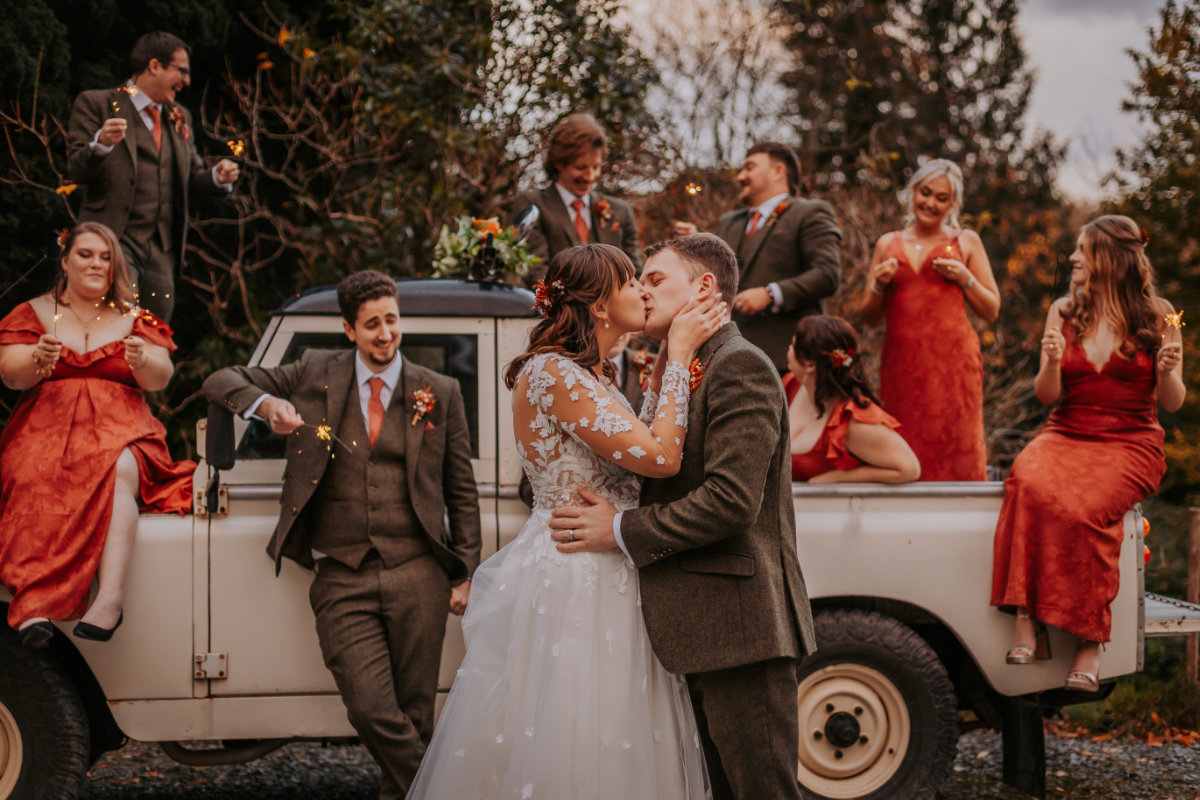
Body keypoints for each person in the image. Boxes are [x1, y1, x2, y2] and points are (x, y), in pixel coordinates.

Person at [407, 243, 724, 799]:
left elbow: (631, 460)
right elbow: (660, 459)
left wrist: (655, 385)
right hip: (578, 578)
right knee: (578, 739)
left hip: (610, 565)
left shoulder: (592, 375)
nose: (644, 292)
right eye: (632, 283)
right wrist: (677, 358)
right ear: (601, 305)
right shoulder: (553, 372)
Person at [549, 233, 816, 800]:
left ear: (704, 287)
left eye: (654, 278)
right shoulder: (682, 365)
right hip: (692, 627)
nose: (642, 292)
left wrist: (617, 529)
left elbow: (730, 500)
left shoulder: (739, 365)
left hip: (740, 628)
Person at [202, 270, 481, 800]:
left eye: (391, 321)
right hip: (341, 574)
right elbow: (220, 380)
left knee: (416, 712)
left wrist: (464, 570)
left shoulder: (438, 391)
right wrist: (267, 405)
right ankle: (447, 789)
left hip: (418, 571)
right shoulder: (313, 372)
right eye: (371, 324)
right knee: (371, 708)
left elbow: (460, 488)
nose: (385, 334)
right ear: (349, 330)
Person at [991, 215, 1185, 692]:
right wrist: (1053, 361)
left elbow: (1173, 402)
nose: (1074, 257)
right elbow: (1046, 395)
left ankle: (1089, 641)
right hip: (1068, 430)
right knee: (1025, 480)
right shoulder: (1062, 310)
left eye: (1082, 249)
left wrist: (1167, 371)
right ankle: (1024, 616)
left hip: (1130, 441)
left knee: (1084, 509)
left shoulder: (1162, 315)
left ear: (1109, 259)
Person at [0, 222, 194, 648]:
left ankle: (109, 599)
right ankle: (32, 604)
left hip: (122, 428)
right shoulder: (31, 313)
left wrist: (143, 360)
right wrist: (37, 358)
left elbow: (160, 377)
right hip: (44, 428)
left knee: (117, 470)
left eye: (106, 258)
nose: (97, 264)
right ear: (65, 260)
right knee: (31, 475)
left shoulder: (135, 319)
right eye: (86, 254)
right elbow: (11, 376)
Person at [67, 31, 240, 322]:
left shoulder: (179, 115)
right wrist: (102, 144)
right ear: (154, 66)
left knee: (155, 334)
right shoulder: (97, 103)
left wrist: (217, 177)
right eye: (181, 71)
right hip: (112, 240)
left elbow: (191, 174)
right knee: (114, 326)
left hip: (160, 249)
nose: (187, 81)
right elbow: (75, 169)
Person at [860, 159, 1000, 481]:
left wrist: (965, 278)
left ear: (953, 204)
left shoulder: (965, 242)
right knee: (905, 447)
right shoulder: (887, 243)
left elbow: (991, 310)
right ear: (912, 192)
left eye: (942, 198)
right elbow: (869, 318)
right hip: (903, 364)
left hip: (954, 366)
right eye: (925, 193)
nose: (931, 203)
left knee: (958, 444)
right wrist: (878, 285)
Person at [673, 141, 842, 372]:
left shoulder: (809, 212)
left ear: (778, 170)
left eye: (749, 168)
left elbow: (826, 275)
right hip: (725, 357)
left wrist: (771, 294)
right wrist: (695, 246)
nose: (741, 176)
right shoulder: (728, 222)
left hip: (787, 360)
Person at [785, 315, 920, 483]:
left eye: (793, 345)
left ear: (810, 365)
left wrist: (836, 478)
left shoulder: (852, 423)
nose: (788, 349)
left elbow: (910, 468)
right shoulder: (791, 386)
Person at [511, 112, 642, 282]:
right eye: (581, 167)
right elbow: (535, 271)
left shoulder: (621, 211)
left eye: (596, 167)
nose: (590, 176)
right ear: (559, 163)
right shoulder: (532, 205)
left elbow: (635, 273)